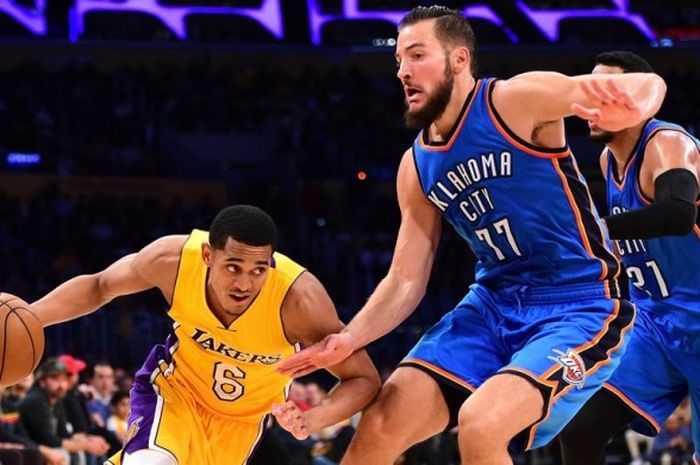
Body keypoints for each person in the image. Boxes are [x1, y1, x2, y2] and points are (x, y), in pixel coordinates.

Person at [277, 6, 667, 465]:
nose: (403, 71)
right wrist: (350, 338)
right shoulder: (416, 165)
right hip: (490, 306)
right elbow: (406, 279)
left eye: (418, 55)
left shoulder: (514, 101)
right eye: (399, 60)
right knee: (381, 422)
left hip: (580, 303)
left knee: (481, 424)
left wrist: (639, 101)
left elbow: (645, 84)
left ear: (459, 59)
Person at [31, 205, 380, 465]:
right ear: (208, 255)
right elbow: (99, 286)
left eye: (259, 270)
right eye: (233, 267)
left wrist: (312, 419)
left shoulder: (300, 301)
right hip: (175, 393)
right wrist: (32, 318)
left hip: (241, 425)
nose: (245, 284)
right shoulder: (172, 261)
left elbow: (363, 378)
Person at [558, 51, 699, 465]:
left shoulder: (668, 143)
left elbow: (677, 213)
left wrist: (593, 228)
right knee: (579, 425)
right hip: (656, 324)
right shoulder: (608, 160)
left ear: (641, 99)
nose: (590, 107)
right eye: (589, 93)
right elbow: (624, 245)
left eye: (606, 95)